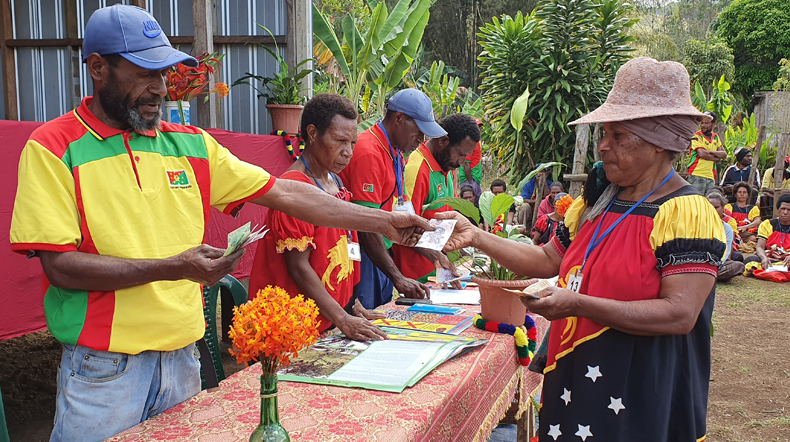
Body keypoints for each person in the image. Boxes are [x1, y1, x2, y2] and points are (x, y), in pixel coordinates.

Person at [8, 7, 430, 442]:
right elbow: (60, 266)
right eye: (144, 73)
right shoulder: (53, 148)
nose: (160, 88)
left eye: (165, 73)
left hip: (182, 361)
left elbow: (287, 193)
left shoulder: (190, 144)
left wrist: (385, 222)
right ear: (98, 68)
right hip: (105, 368)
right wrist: (173, 267)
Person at [437, 57, 725, 442]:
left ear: (660, 143)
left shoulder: (686, 212)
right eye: (604, 133)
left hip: (638, 392)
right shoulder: (596, 204)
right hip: (578, 373)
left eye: (618, 136)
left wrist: (577, 305)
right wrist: (475, 235)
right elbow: (546, 260)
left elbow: (679, 314)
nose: (602, 146)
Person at [248, 94, 387, 342]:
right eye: (340, 141)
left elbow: (345, 244)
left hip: (329, 319)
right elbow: (299, 268)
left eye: (353, 143)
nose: (348, 152)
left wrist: (350, 304)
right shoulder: (294, 190)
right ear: (312, 134)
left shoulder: (336, 182)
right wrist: (342, 318)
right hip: (297, 327)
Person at [338, 88, 448, 309]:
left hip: (381, 252)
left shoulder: (395, 152)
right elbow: (366, 226)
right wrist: (398, 277)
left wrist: (436, 256)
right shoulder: (370, 152)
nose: (422, 139)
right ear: (399, 118)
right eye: (418, 131)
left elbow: (402, 214)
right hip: (363, 254)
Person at [392, 113, 480, 284]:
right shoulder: (416, 169)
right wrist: (436, 256)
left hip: (439, 268)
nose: (462, 162)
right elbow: (403, 225)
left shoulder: (447, 167)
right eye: (460, 154)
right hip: (416, 273)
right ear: (443, 141)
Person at [744, 193, 790, 273]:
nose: (785, 212)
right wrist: (764, 258)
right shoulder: (767, 224)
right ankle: (776, 268)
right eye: (783, 208)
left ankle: (769, 269)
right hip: (770, 257)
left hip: (788, 259)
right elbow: (760, 247)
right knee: (750, 260)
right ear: (778, 209)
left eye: (789, 210)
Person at [707, 191, 745, 281]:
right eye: (709, 207)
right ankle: (708, 275)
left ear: (723, 208)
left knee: (738, 266)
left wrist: (717, 264)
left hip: (718, 263)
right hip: (698, 262)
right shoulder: (697, 224)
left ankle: (706, 275)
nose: (713, 210)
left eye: (716, 207)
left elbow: (726, 251)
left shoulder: (727, 228)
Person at [686, 110, 726, 195]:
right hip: (697, 173)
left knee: (708, 203)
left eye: (707, 123)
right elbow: (702, 154)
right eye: (702, 123)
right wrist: (715, 158)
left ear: (714, 124)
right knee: (696, 202)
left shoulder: (715, 137)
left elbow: (724, 154)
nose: (703, 125)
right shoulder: (697, 135)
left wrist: (709, 152)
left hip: (710, 175)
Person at [458, 117, 484, 202]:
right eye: (476, 127)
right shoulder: (469, 143)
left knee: (477, 206)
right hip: (469, 179)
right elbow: (466, 164)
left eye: (480, 127)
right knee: (470, 207)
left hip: (474, 179)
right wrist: (470, 183)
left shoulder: (476, 142)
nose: (479, 130)